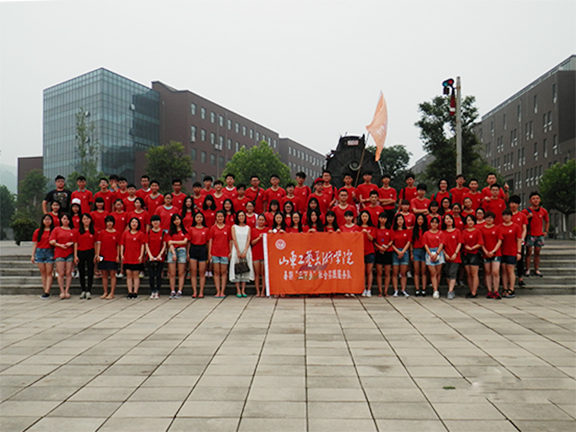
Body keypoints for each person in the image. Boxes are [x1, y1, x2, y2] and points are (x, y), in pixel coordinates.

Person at [49, 213, 77, 299]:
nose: (66, 220)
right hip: (59, 253)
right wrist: (60, 245)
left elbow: (76, 242)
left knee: (68, 272)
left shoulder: (73, 231)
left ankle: (67, 290)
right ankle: (61, 290)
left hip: (69, 253)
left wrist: (71, 243)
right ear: (61, 219)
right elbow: (51, 241)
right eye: (64, 218)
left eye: (67, 219)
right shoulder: (57, 229)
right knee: (60, 273)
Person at [522, 192, 549, 277]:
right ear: (530, 201)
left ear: (540, 200)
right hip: (530, 234)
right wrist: (527, 217)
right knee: (529, 252)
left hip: (539, 234)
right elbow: (521, 220)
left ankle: (536, 269)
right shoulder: (526, 211)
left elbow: (547, 221)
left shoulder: (543, 211)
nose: (535, 200)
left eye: (537, 198)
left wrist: (546, 231)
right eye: (533, 199)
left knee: (537, 252)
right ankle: (527, 269)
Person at [230, 211, 254, 297]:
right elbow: (234, 239)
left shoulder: (248, 228)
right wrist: (238, 251)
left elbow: (248, 239)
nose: (241, 217)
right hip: (236, 249)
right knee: (236, 268)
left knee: (245, 268)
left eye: (242, 215)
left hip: (245, 249)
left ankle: (243, 290)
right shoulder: (234, 227)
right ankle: (238, 290)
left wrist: (245, 251)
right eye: (239, 216)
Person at [500, 209, 523, 299]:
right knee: (504, 270)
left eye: (508, 215)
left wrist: (519, 252)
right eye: (504, 215)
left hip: (512, 251)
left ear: (511, 216)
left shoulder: (516, 227)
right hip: (502, 252)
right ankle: (505, 288)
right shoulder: (499, 227)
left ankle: (511, 288)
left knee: (510, 270)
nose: (506, 217)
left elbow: (519, 240)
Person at [96, 215, 120, 299]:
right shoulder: (102, 233)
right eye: (108, 222)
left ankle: (112, 293)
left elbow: (118, 245)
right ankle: (105, 292)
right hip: (103, 256)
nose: (109, 223)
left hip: (112, 256)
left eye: (111, 222)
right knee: (104, 274)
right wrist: (97, 255)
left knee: (113, 274)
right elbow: (99, 244)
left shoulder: (117, 233)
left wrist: (118, 255)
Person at [121, 218, 146, 299]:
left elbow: (142, 245)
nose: (134, 224)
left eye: (136, 222)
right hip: (127, 256)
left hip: (136, 257)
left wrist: (141, 255)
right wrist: (121, 254)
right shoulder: (125, 233)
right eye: (132, 222)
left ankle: (135, 292)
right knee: (129, 275)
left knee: (136, 275)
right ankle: (129, 292)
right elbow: (122, 244)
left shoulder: (140, 234)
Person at [208, 211, 232, 298]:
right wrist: (209, 253)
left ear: (224, 217)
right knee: (216, 272)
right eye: (218, 216)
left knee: (224, 272)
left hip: (225, 253)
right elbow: (211, 240)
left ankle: (222, 291)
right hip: (215, 252)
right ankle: (218, 290)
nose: (220, 218)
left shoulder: (228, 228)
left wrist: (230, 252)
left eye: (221, 216)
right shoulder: (213, 228)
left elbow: (230, 241)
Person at [480, 211, 503, 299]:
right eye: (487, 218)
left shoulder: (497, 228)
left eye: (491, 218)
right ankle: (489, 290)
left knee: (495, 271)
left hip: (496, 253)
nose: (489, 219)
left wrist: (493, 251)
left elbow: (500, 241)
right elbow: (481, 242)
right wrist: (486, 251)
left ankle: (496, 290)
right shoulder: (482, 229)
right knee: (487, 271)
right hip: (485, 253)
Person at [32, 214, 55, 299]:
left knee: (49, 272)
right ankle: (45, 289)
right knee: (43, 272)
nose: (47, 221)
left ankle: (47, 291)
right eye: (45, 219)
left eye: (49, 219)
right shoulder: (38, 231)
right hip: (39, 252)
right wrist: (33, 255)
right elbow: (35, 244)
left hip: (50, 252)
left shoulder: (53, 231)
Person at [76, 213, 98, 299]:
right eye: (84, 219)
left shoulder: (94, 231)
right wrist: (75, 255)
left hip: (90, 252)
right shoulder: (78, 231)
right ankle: (83, 290)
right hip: (80, 252)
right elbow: (76, 244)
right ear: (81, 220)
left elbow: (96, 243)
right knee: (81, 271)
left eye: (88, 219)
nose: (86, 220)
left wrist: (96, 254)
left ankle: (89, 290)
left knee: (90, 271)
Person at [166, 214, 188, 299]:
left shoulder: (185, 230)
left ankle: (179, 290)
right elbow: (169, 243)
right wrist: (174, 253)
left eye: (178, 219)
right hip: (172, 251)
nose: (177, 221)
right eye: (175, 220)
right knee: (172, 273)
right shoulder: (170, 231)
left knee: (181, 273)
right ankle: (172, 290)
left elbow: (184, 242)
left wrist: (174, 242)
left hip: (182, 251)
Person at [441, 214, 463, 300]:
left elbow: (460, 243)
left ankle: (450, 291)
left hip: (455, 256)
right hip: (446, 256)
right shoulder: (442, 232)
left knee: (452, 273)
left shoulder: (457, 231)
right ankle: (451, 289)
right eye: (446, 219)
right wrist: (445, 254)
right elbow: (441, 245)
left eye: (450, 218)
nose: (448, 220)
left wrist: (455, 253)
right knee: (447, 273)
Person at [188, 212, 209, 298]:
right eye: (197, 217)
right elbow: (189, 242)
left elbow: (208, 242)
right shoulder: (191, 229)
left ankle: (201, 292)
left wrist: (208, 253)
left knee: (202, 272)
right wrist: (188, 253)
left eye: (200, 217)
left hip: (202, 249)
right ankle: (194, 291)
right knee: (193, 272)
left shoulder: (206, 229)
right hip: (193, 249)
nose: (199, 218)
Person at [509, 195, 528, 287]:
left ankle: (520, 277)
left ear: (518, 204)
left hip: (519, 241)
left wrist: (522, 239)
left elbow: (524, 228)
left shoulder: (522, 216)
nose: (513, 205)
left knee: (520, 259)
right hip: (509, 241)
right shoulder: (506, 215)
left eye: (515, 203)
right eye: (512, 203)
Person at [423, 217, 444, 299]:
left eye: (436, 222)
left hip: (438, 252)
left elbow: (442, 243)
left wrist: (437, 253)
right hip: (429, 252)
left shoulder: (441, 233)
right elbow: (425, 244)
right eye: (432, 222)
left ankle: (436, 288)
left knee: (438, 272)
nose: (434, 224)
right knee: (433, 273)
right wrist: (430, 254)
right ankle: (435, 290)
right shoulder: (426, 233)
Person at [462, 214, 483, 298]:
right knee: (469, 273)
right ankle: (471, 290)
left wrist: (473, 248)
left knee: (474, 273)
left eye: (471, 220)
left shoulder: (477, 231)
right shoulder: (464, 231)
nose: (470, 222)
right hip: (466, 253)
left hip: (474, 253)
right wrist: (466, 247)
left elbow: (480, 243)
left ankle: (474, 291)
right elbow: (462, 242)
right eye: (468, 220)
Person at [391, 214, 411, 297]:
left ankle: (403, 289)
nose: (400, 221)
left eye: (401, 219)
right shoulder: (393, 231)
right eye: (398, 219)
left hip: (404, 251)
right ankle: (395, 290)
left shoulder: (407, 231)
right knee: (395, 272)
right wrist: (398, 252)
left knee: (403, 273)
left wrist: (403, 251)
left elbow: (408, 242)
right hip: (395, 252)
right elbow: (391, 243)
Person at [146, 215, 166, 299]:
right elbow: (146, 244)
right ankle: (152, 291)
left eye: (157, 221)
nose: (155, 222)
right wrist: (150, 255)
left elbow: (164, 245)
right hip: (150, 257)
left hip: (159, 257)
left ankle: (157, 290)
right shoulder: (149, 233)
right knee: (151, 275)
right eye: (154, 221)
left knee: (158, 275)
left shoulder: (163, 233)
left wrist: (160, 255)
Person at [374, 212, 393, 297]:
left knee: (387, 272)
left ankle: (386, 291)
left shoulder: (389, 229)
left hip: (388, 252)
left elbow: (392, 240)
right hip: (379, 252)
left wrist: (387, 247)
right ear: (379, 219)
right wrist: (379, 247)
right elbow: (374, 241)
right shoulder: (376, 229)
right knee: (379, 272)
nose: (383, 220)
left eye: (384, 218)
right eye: (381, 218)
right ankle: (380, 291)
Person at [358, 210, 376, 297]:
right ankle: (363, 288)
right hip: (360, 252)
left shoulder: (372, 228)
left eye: (366, 216)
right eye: (363, 216)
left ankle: (369, 289)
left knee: (369, 271)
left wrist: (366, 233)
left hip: (370, 251)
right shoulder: (357, 228)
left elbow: (372, 239)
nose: (364, 218)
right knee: (362, 272)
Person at [411, 214, 428, 297]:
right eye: (418, 219)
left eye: (421, 219)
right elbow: (411, 242)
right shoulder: (413, 230)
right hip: (416, 250)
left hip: (424, 251)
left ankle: (424, 289)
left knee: (424, 272)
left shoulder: (426, 231)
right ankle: (417, 289)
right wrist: (411, 252)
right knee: (416, 271)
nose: (420, 221)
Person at [251, 214, 268, 297]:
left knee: (264, 274)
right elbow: (252, 242)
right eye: (259, 220)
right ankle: (257, 291)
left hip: (264, 253)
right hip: (256, 253)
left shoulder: (267, 230)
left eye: (262, 220)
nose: (261, 221)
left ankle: (263, 291)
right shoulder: (253, 230)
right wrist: (259, 237)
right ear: (257, 221)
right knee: (257, 274)